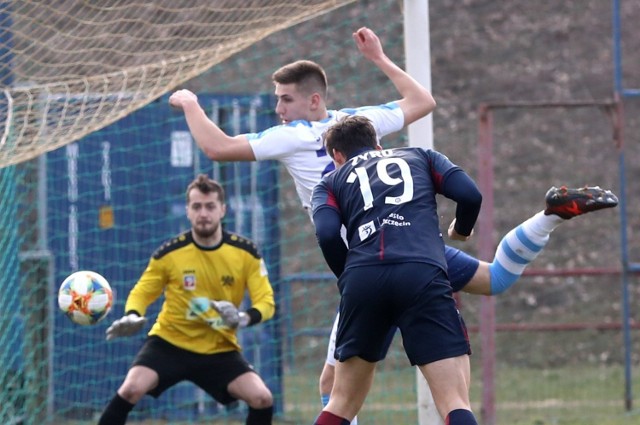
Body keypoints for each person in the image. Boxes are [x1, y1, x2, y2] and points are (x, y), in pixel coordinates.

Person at [168, 26, 619, 423]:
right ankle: (547, 218)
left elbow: (218, 147)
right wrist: (379, 58)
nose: (279, 109)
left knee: (334, 387)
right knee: (494, 280)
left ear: (314, 100)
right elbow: (424, 101)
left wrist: (189, 102)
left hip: (366, 260)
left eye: (285, 99)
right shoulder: (362, 121)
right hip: (418, 245)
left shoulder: (292, 136)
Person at [311, 115, 481, 424]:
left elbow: (326, 234)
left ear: (336, 155)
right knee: (454, 401)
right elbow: (471, 195)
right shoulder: (422, 156)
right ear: (378, 145)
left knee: (340, 403)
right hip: (422, 273)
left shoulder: (329, 182)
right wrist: (463, 229)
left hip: (363, 278)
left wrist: (348, 277)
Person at [97, 174, 276, 425]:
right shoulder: (169, 254)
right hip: (169, 344)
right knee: (130, 389)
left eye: (210, 206)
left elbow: (266, 301)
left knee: (262, 398)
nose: (204, 213)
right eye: (197, 207)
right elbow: (142, 291)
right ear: (187, 212)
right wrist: (133, 315)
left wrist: (243, 318)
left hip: (219, 348)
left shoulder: (246, 253)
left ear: (223, 210)